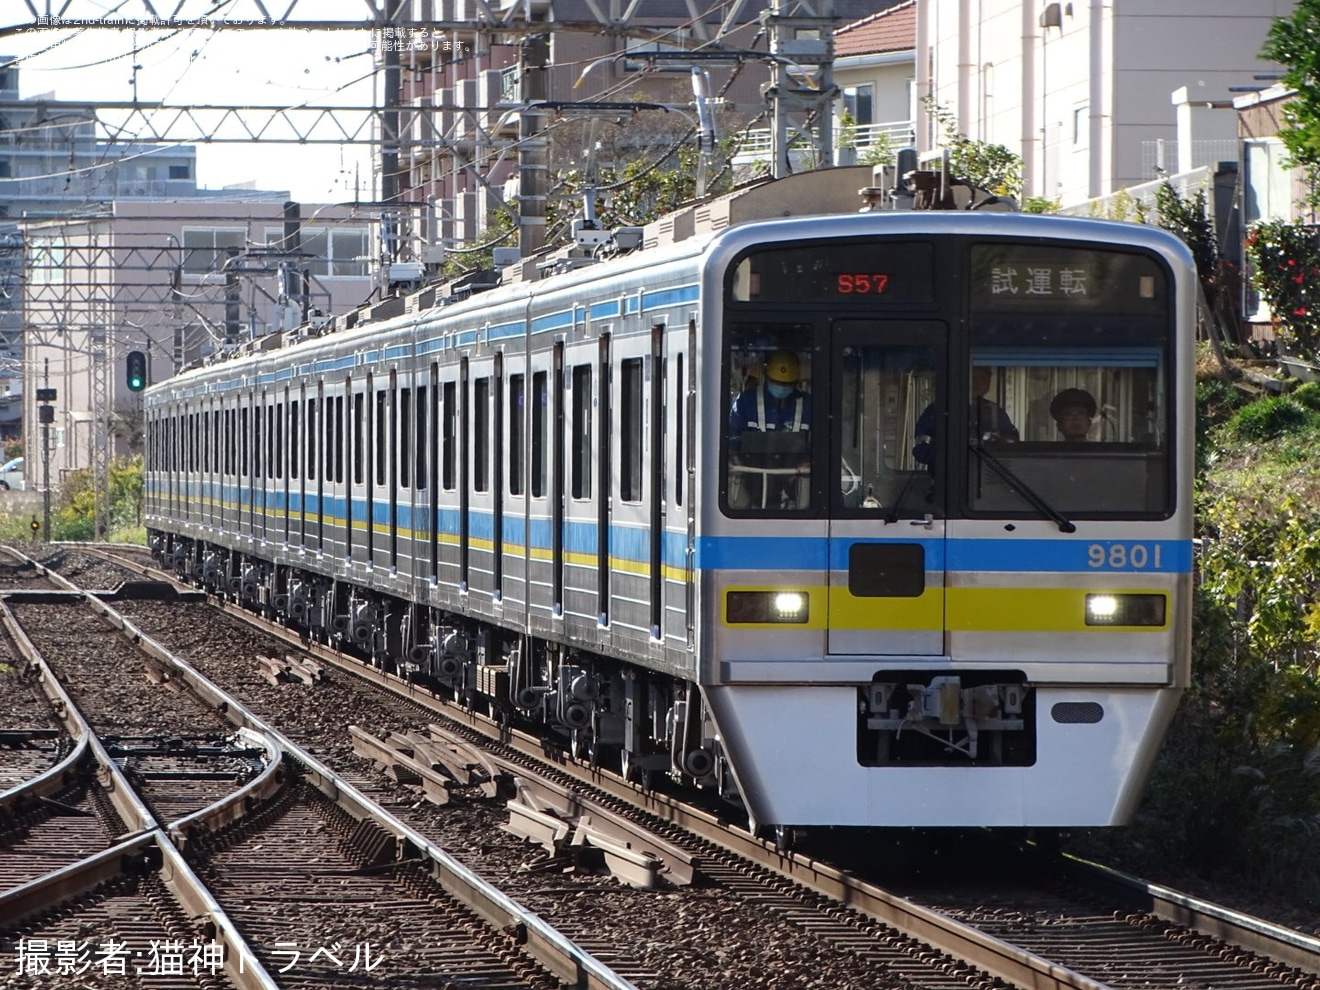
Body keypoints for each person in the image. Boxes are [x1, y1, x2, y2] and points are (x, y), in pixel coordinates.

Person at [727, 349, 812, 508]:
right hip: (752, 477)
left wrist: (808, 462)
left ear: (796, 382)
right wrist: (737, 458)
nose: (782, 388)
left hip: (796, 479)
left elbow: (821, 441)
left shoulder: (808, 405)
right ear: (767, 378)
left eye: (787, 384)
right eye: (777, 382)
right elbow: (731, 435)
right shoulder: (746, 402)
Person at [913, 366, 1017, 468]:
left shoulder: (996, 412)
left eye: (982, 378)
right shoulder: (937, 410)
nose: (977, 382)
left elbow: (1010, 448)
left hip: (989, 479)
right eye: (973, 377)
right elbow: (921, 450)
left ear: (989, 382)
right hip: (946, 480)